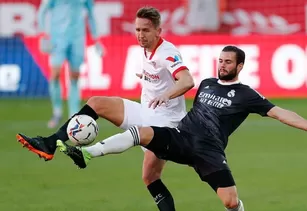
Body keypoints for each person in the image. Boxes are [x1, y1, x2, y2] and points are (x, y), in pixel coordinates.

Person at [57, 45, 307, 211]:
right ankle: (86, 154)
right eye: (220, 60)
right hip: (182, 137)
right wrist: (148, 76)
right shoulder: (206, 83)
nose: (222, 65)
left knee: (230, 202)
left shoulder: (247, 95)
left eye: (228, 62)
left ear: (239, 66)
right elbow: (171, 83)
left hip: (209, 151)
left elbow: (281, 113)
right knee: (142, 134)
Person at [17, 7, 195, 211]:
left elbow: (187, 81)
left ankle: (86, 154)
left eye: (145, 30)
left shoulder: (167, 52)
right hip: (145, 113)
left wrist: (166, 94)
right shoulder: (146, 48)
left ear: (158, 31)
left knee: (150, 177)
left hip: (165, 125)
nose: (140, 35)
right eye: (137, 29)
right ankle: (49, 143)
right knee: (96, 102)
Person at [37, 0, 102, 128]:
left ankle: (73, 115)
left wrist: (96, 39)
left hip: (77, 38)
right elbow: (41, 12)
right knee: (55, 74)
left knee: (75, 76)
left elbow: (91, 15)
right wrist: (43, 33)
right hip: (57, 39)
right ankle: (57, 112)